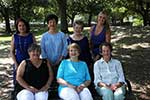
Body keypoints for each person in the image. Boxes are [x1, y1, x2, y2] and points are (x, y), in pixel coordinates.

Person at [10, 18, 36, 85]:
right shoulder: (14, 36)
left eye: (23, 25)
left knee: (30, 81)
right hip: (18, 61)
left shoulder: (31, 35)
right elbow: (12, 52)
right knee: (18, 81)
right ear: (17, 27)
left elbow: (36, 50)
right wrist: (16, 63)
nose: (22, 27)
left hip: (30, 62)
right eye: (20, 25)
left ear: (26, 26)